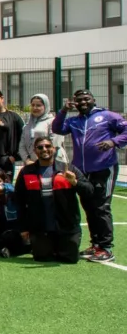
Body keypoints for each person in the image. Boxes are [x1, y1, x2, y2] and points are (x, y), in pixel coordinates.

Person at [52, 89, 127, 263]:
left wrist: (113, 142)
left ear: (93, 99)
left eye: (86, 99)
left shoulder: (108, 116)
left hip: (104, 168)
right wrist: (63, 110)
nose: (83, 102)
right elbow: (57, 128)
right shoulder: (73, 120)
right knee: (88, 206)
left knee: (101, 207)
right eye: (79, 100)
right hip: (82, 171)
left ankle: (106, 248)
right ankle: (96, 244)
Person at [14, 136, 92, 264]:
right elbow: (19, 201)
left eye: (48, 146)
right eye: (40, 147)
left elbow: (89, 191)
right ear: (35, 151)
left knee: (69, 259)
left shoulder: (68, 169)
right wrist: (23, 228)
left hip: (66, 226)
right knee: (42, 258)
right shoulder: (26, 172)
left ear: (54, 149)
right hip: (40, 227)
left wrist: (75, 182)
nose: (44, 149)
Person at [19, 94, 65, 166]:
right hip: (30, 165)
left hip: (49, 164)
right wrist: (27, 160)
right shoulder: (28, 125)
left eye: (38, 105)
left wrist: (43, 161)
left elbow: (55, 144)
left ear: (45, 106)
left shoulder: (52, 122)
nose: (35, 108)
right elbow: (22, 145)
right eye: (33, 105)